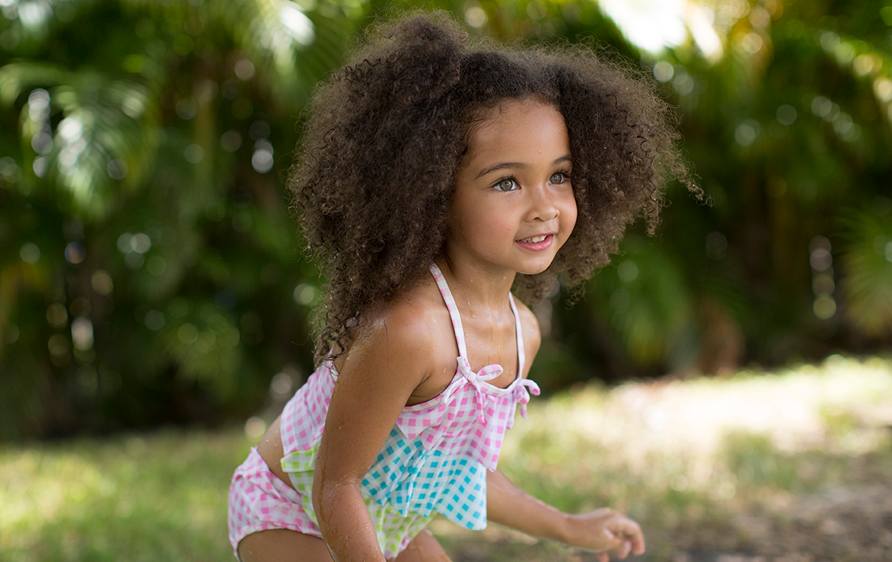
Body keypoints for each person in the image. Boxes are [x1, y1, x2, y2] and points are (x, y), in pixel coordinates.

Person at [228, 11, 695, 562]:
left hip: (383, 514)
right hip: (289, 509)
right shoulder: (407, 331)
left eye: (559, 176)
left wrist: (570, 526)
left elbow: (460, 472)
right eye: (507, 182)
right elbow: (336, 484)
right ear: (434, 192)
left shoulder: (521, 333)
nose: (544, 206)